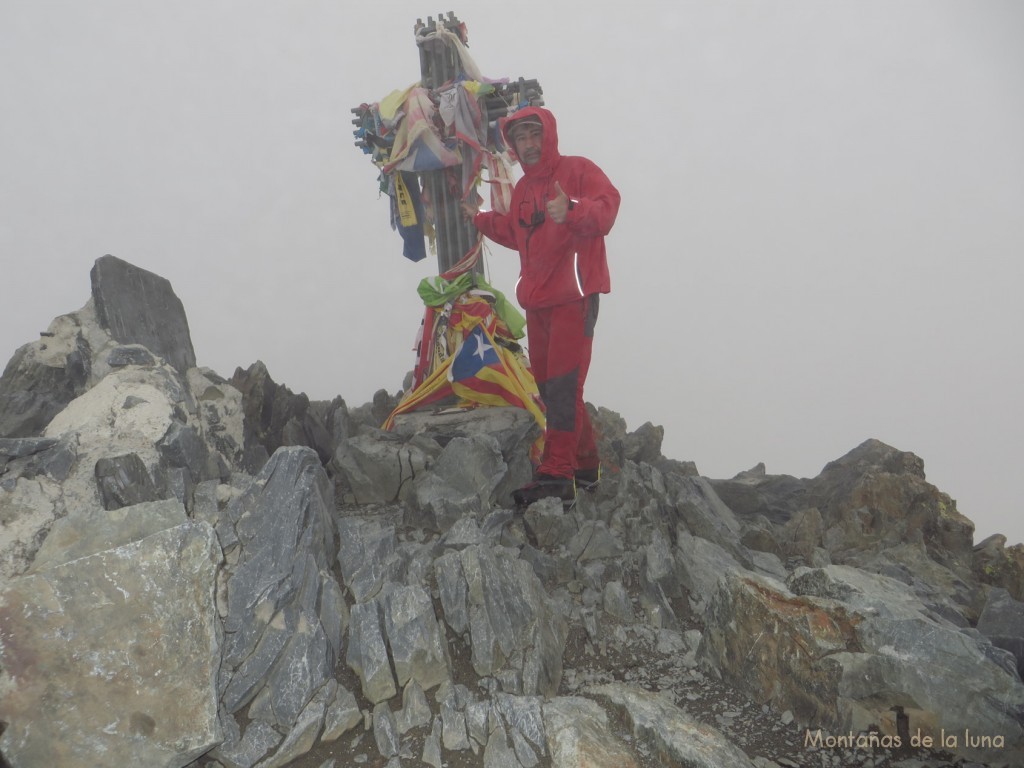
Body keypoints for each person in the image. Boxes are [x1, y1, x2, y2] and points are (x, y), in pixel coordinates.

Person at [461, 105, 621, 506]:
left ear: (548, 135)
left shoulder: (578, 170)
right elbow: (515, 232)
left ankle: (556, 475)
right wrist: (478, 218)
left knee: (565, 387)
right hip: (538, 302)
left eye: (534, 135)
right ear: (513, 145)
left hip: (574, 299)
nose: (528, 145)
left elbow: (608, 208)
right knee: (552, 390)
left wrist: (573, 211)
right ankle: (584, 466)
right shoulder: (523, 190)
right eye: (521, 138)